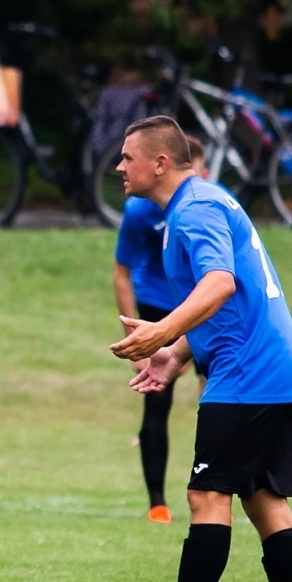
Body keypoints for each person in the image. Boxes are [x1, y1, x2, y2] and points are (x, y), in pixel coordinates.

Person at [107, 116, 292, 582]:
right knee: (264, 498)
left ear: (159, 163)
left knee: (206, 494)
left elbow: (220, 283)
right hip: (274, 369)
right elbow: (229, 298)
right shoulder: (204, 201)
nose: (119, 167)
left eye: (128, 157)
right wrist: (176, 355)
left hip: (246, 374)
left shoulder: (195, 209)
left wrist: (161, 331)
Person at [113, 133, 207, 524]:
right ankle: (157, 503)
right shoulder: (140, 211)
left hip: (203, 308)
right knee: (155, 398)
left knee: (215, 400)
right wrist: (135, 338)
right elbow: (122, 272)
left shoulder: (210, 205)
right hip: (157, 308)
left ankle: (215, 489)